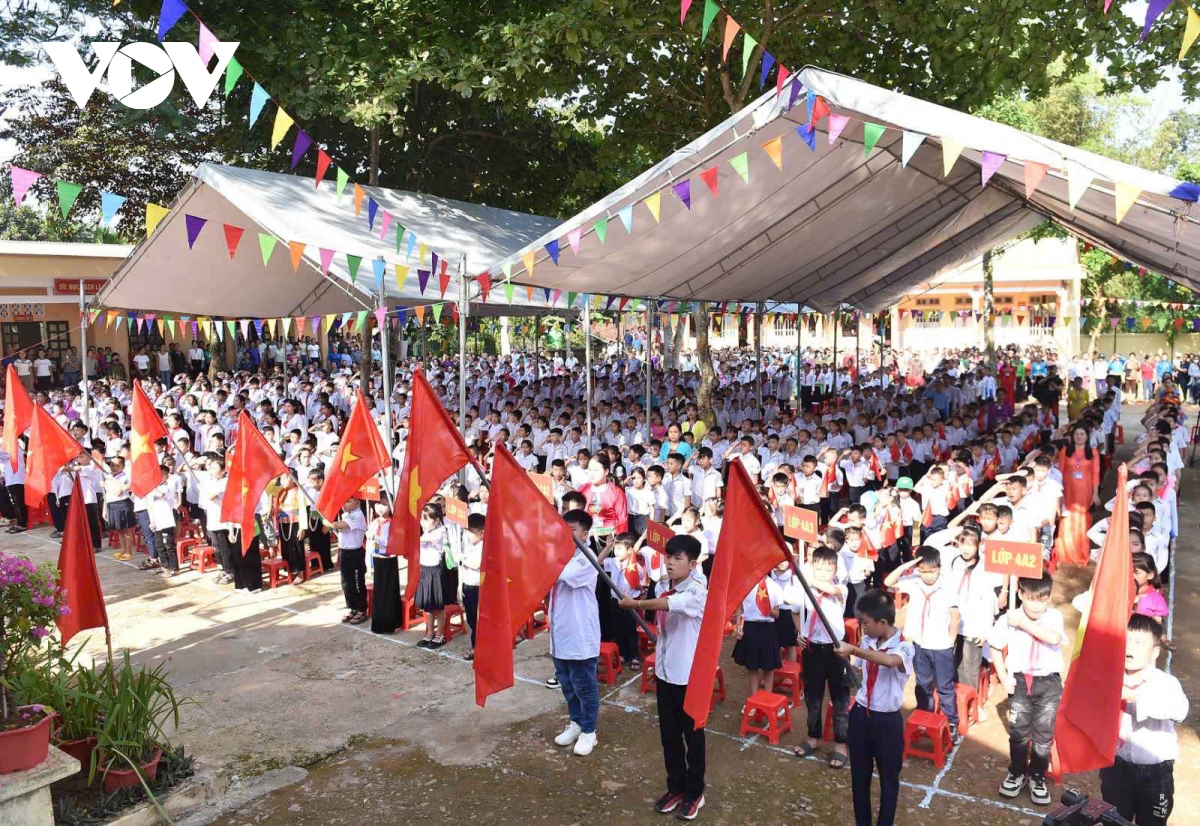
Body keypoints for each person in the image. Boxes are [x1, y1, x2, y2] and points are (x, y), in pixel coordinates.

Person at [618, 534, 707, 820]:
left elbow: (671, 605)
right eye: (668, 557)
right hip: (666, 671)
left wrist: (636, 605)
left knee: (693, 738)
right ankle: (676, 787)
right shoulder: (662, 586)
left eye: (677, 558)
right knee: (668, 736)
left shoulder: (697, 590)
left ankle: (695, 793)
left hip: (689, 676)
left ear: (692, 564)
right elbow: (663, 605)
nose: (669, 562)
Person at [1099, 613, 1187, 825]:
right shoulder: (1110, 677)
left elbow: (1180, 710)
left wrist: (1133, 696)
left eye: (1138, 642)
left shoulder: (1166, 683)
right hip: (1116, 767)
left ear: (1155, 651)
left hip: (1155, 775)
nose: (1130, 647)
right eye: (1126, 639)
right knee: (1114, 819)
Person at [838, 589, 914, 826]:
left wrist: (855, 650)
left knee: (888, 781)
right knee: (859, 779)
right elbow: (859, 665)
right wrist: (847, 656)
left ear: (883, 622)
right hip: (861, 715)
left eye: (865, 622)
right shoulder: (867, 640)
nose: (863, 627)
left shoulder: (905, 647)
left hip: (887, 722)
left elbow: (890, 662)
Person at [989, 574, 1064, 806]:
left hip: (1049, 682)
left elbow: (1053, 637)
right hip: (1020, 682)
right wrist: (1003, 676)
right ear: (1020, 594)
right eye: (1030, 598)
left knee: (1043, 735)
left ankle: (1037, 775)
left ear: (1050, 598)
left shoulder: (1054, 616)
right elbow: (994, 645)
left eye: (1042, 599)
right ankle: (1017, 773)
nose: (1035, 605)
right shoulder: (1009, 617)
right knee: (1019, 733)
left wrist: (1022, 623)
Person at [884, 548, 961, 738]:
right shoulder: (913, 582)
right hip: (919, 643)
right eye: (923, 571)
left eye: (932, 571)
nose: (927, 576)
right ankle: (924, 716)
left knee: (944, 686)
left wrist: (950, 641)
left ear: (939, 569)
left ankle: (951, 721)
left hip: (941, 645)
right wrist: (908, 565)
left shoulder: (948, 586)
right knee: (923, 683)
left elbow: (955, 617)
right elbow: (888, 582)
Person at [550, 509, 601, 757]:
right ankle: (576, 722)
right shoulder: (559, 555)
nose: (566, 535)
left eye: (571, 530)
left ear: (585, 533)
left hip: (580, 633)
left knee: (584, 685)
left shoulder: (586, 557)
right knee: (567, 683)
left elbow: (563, 575)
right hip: (560, 632)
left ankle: (590, 731)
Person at [792, 545, 850, 767]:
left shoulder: (840, 589)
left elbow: (831, 590)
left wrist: (805, 578)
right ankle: (814, 737)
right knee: (813, 697)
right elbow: (796, 612)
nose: (823, 573)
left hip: (836, 650)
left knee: (840, 699)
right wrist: (800, 632)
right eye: (818, 568)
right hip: (813, 649)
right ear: (812, 567)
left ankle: (841, 744)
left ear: (835, 570)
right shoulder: (803, 590)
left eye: (828, 569)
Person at [1054, 424, 1101, 566]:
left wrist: (1095, 494)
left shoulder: (1093, 453)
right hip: (1068, 490)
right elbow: (1060, 473)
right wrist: (1059, 494)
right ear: (1072, 436)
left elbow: (1095, 474)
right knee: (1067, 520)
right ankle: (1065, 553)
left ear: (1087, 437)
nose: (1079, 437)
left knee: (1081, 521)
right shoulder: (1065, 451)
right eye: (1076, 434)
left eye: (1082, 434)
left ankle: (1080, 553)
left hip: (1085, 491)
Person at [413, 502, 450, 646]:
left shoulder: (440, 531)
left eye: (425, 519)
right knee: (428, 607)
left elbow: (422, 540)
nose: (422, 522)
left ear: (436, 520)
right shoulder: (426, 531)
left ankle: (440, 634)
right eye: (421, 518)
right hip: (425, 570)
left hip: (436, 572)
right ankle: (429, 633)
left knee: (438, 607)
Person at [329, 496, 368, 625]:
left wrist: (327, 522)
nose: (344, 504)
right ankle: (352, 608)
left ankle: (361, 609)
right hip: (345, 552)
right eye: (344, 501)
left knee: (357, 583)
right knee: (346, 583)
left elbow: (341, 525)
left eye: (348, 501)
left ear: (357, 503)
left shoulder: (358, 515)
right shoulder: (346, 514)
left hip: (355, 554)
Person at [459, 512, 484, 659]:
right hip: (467, 585)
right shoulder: (470, 546)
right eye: (465, 530)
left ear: (481, 532)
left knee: (477, 620)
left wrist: (462, 559)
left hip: (477, 587)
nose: (466, 534)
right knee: (471, 619)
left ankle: (478, 649)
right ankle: (476, 646)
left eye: (470, 531)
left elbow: (475, 564)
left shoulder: (482, 547)